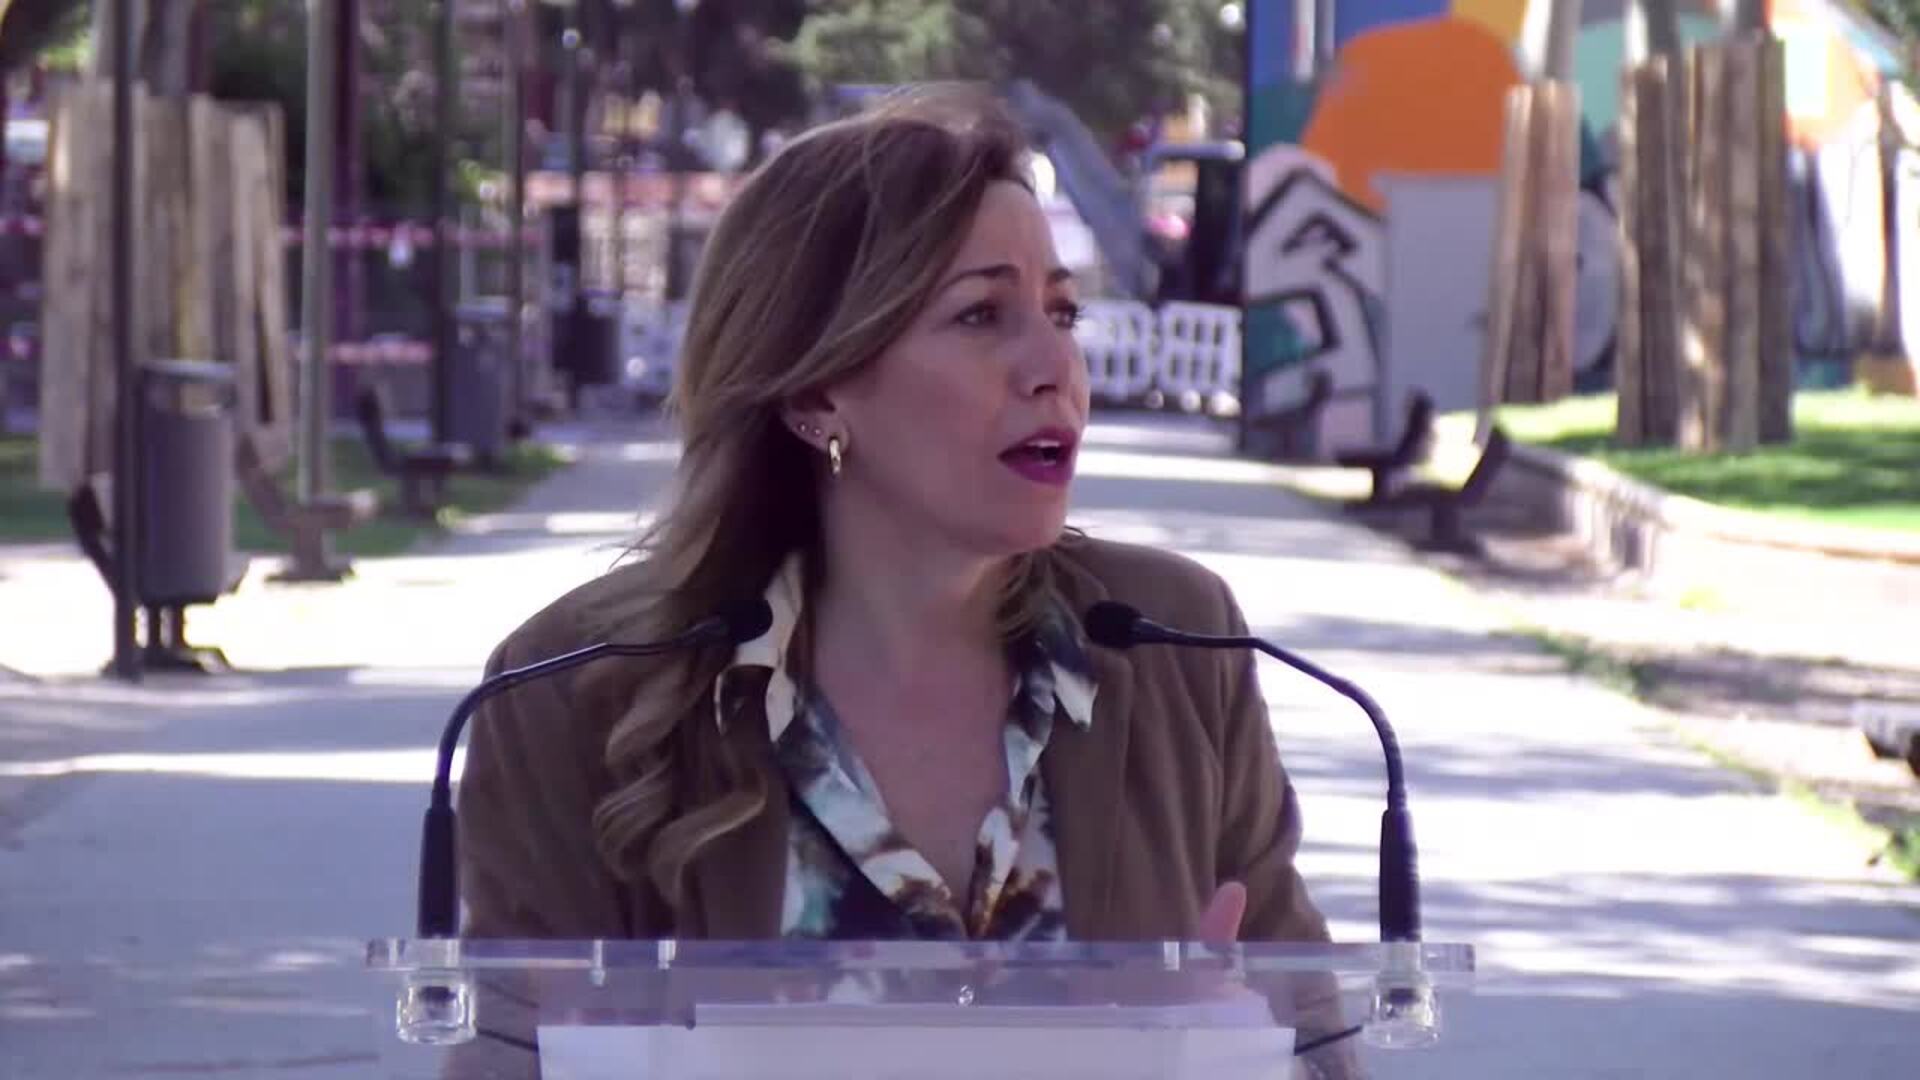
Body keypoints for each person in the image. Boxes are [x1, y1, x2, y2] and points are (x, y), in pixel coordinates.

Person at [454, 84, 1358, 1077]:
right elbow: (510, 1058)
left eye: (1061, 310)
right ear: (816, 389)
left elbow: (1321, 1047)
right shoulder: (574, 691)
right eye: (981, 315)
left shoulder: (1177, 644)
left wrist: (1236, 1053)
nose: (1055, 366)